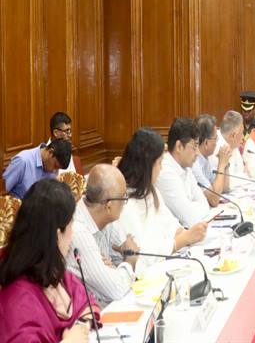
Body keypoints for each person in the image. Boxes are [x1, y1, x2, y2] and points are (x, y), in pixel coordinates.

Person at [0, 179, 100, 342]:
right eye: (71, 225)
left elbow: (85, 302)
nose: (72, 234)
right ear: (57, 235)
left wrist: (81, 327)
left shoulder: (51, 269)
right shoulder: (18, 298)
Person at [117, 128, 207, 275]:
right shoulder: (123, 202)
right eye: (159, 163)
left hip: (165, 263)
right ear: (146, 165)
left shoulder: (150, 190)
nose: (161, 168)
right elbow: (144, 253)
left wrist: (188, 233)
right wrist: (183, 239)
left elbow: (170, 223)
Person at [65, 164, 138, 308]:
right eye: (123, 198)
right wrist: (130, 260)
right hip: (88, 314)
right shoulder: (78, 231)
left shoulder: (105, 217)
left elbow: (123, 260)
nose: (125, 203)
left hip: (108, 305)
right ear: (109, 205)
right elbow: (116, 288)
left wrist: (114, 269)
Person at [155, 117, 212, 225]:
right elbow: (190, 218)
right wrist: (193, 207)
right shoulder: (165, 172)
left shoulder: (186, 167)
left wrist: (192, 207)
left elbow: (205, 204)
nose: (198, 153)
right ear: (179, 147)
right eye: (194, 147)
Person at [3, 138, 72, 199]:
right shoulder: (22, 161)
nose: (55, 171)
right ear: (50, 152)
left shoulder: (53, 166)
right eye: (55, 166)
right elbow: (2, 192)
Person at [211, 110, 246, 178]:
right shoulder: (215, 146)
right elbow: (225, 179)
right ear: (233, 136)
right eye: (242, 133)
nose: (243, 137)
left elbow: (241, 171)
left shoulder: (233, 144)